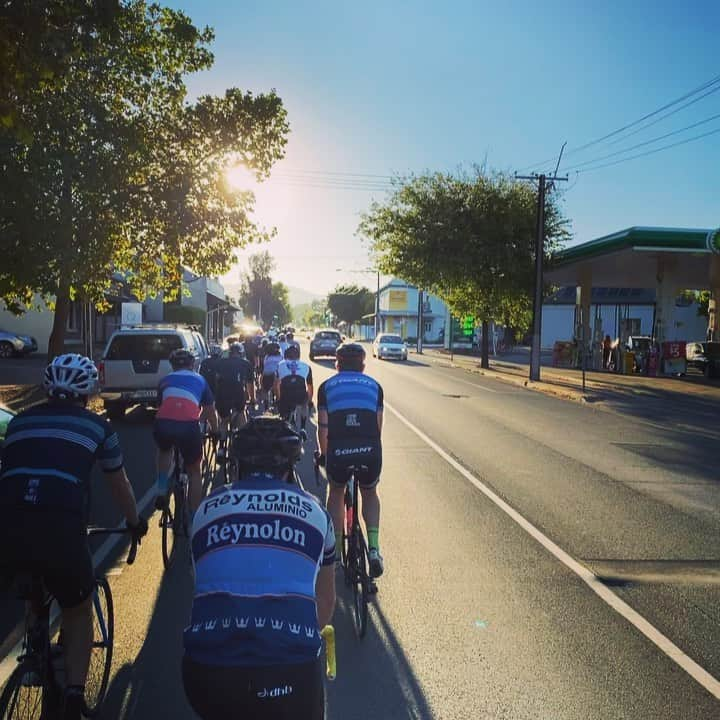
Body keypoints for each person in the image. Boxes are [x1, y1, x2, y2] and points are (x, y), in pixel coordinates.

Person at [0, 354, 147, 720]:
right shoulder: (98, 429)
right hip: (60, 530)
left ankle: (34, 652)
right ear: (89, 391)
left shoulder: (19, 421)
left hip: (9, 524)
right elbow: (120, 484)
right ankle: (74, 698)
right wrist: (133, 523)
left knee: (32, 582)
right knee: (77, 610)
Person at [182, 416, 335, 720]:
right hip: (290, 674)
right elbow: (326, 602)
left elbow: (198, 583)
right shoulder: (316, 513)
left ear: (238, 464)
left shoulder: (205, 510)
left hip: (207, 675)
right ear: (290, 468)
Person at [316, 343, 385, 578]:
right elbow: (378, 427)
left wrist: (324, 455)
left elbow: (323, 427)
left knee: (336, 492)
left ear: (338, 364)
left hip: (339, 452)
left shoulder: (326, 387)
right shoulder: (376, 387)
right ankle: (374, 549)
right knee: (370, 492)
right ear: (363, 366)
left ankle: (335, 554)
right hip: (370, 450)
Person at [153, 348, 219, 513]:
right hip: (188, 426)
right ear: (192, 364)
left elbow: (160, 406)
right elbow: (210, 410)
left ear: (172, 365)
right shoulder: (200, 380)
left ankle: (161, 489)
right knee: (194, 471)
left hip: (163, 423)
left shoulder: (164, 380)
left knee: (164, 450)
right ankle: (193, 517)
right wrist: (214, 429)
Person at [215, 343, 255, 457]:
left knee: (223, 420)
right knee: (241, 416)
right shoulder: (246, 364)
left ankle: (221, 449)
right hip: (238, 394)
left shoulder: (221, 362)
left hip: (222, 394)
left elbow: (217, 379)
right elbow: (250, 384)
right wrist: (252, 399)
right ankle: (242, 446)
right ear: (241, 353)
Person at [275, 344, 313, 430]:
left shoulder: (280, 365)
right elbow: (310, 386)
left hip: (285, 395)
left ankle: (284, 424)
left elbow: (276, 384)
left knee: (283, 413)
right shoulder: (306, 366)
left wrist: (278, 398)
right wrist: (309, 401)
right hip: (300, 395)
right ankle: (303, 427)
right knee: (304, 405)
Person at [260, 341, 283, 411]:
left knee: (265, 389)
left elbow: (264, 366)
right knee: (278, 387)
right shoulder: (281, 357)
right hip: (276, 374)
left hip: (266, 374)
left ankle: (266, 404)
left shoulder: (266, 357)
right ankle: (278, 401)